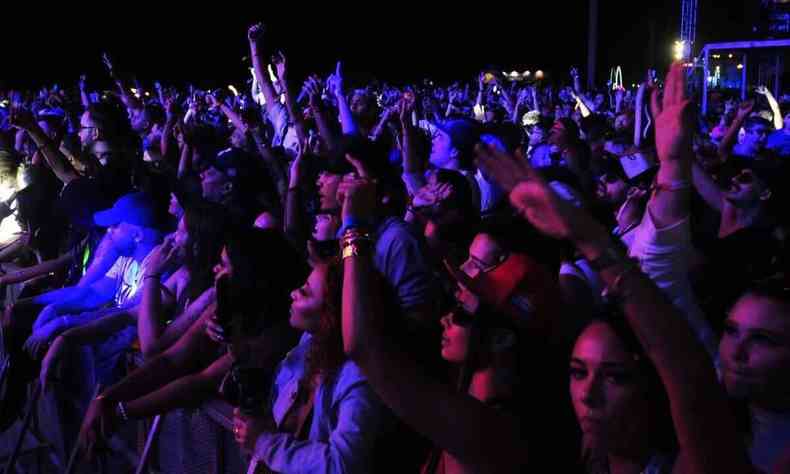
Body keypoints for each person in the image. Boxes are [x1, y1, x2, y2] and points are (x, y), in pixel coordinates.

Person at [232, 261, 384, 473]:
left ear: (330, 315)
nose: (293, 293)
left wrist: (264, 442)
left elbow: (342, 466)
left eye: (305, 292)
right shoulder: (309, 344)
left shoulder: (359, 380)